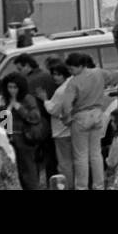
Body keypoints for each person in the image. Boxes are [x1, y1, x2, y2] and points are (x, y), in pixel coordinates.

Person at [65, 52, 118, 190]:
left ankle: (82, 187)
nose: (70, 72)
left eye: (72, 69)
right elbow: (117, 75)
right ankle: (98, 186)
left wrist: (67, 119)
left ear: (80, 66)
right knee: (96, 154)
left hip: (80, 118)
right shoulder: (98, 73)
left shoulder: (73, 83)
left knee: (81, 156)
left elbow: (66, 106)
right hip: (97, 116)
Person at [0, 73, 43, 189]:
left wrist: (18, 107)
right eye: (9, 87)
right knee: (14, 171)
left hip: (24, 139)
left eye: (15, 87)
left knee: (28, 171)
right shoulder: (5, 100)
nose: (12, 90)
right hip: (10, 140)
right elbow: (4, 119)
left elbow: (35, 117)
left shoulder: (27, 98)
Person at [42, 60, 75, 188]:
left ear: (64, 74)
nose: (55, 77)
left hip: (61, 132)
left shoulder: (61, 91)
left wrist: (44, 99)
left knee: (65, 163)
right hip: (73, 129)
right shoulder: (73, 84)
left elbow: (53, 109)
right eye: (54, 74)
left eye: (58, 74)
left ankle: (68, 186)